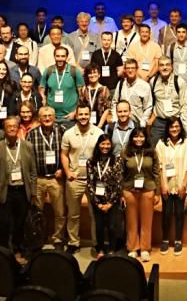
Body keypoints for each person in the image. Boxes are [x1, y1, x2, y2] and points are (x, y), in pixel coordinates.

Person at [0, 116, 37, 258]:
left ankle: (18, 248)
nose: (11, 128)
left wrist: (33, 193)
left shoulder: (28, 146)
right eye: (8, 126)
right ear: (4, 129)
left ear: (18, 129)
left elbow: (33, 172)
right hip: (6, 191)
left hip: (23, 191)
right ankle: (3, 251)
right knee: (4, 223)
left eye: (14, 126)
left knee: (20, 223)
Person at [61, 102, 103, 253]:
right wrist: (67, 172)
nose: (83, 117)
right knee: (73, 214)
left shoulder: (98, 133)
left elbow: (103, 155)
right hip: (75, 180)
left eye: (86, 114)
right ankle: (73, 242)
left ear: (90, 115)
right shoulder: (68, 133)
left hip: (93, 181)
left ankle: (96, 243)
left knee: (95, 214)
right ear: (76, 115)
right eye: (81, 114)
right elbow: (64, 155)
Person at [27, 106, 66, 250]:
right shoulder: (31, 134)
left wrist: (63, 169)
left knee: (60, 212)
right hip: (39, 178)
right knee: (37, 212)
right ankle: (38, 237)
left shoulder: (62, 131)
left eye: (50, 115)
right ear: (39, 118)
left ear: (54, 117)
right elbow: (28, 159)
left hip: (56, 179)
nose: (47, 118)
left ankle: (58, 239)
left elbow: (66, 154)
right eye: (44, 116)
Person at [155, 117, 187, 256]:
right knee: (166, 214)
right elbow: (158, 166)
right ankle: (165, 240)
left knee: (179, 214)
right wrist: (163, 184)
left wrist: (184, 185)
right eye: (171, 127)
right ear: (167, 129)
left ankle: (178, 240)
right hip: (166, 185)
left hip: (181, 186)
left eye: (177, 126)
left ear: (181, 128)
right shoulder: (161, 144)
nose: (174, 129)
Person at [121, 125, 159, 261]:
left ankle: (144, 248)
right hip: (129, 190)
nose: (139, 139)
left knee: (146, 222)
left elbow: (156, 173)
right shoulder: (126, 152)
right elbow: (121, 173)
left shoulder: (152, 152)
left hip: (148, 190)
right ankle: (132, 248)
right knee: (131, 221)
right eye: (136, 136)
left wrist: (158, 193)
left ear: (145, 138)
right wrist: (121, 193)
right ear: (132, 138)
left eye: (141, 136)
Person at [86, 133, 124, 259]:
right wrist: (97, 203)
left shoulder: (116, 160)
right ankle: (101, 249)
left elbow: (119, 182)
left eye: (108, 144)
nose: (105, 146)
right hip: (97, 200)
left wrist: (110, 203)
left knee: (112, 226)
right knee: (99, 226)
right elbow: (90, 183)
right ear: (98, 145)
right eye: (103, 144)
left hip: (112, 199)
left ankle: (112, 249)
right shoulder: (91, 161)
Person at [39, 46, 85, 128]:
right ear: (54, 57)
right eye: (58, 56)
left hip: (69, 117)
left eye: (63, 56)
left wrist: (75, 112)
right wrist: (46, 109)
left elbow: (82, 95)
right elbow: (42, 90)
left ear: (67, 57)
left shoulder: (74, 72)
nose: (60, 59)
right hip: (51, 118)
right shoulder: (48, 71)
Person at [149, 56, 187, 147]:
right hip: (159, 122)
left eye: (167, 65)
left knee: (176, 148)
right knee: (153, 148)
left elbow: (184, 105)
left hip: (175, 122)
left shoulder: (179, 82)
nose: (164, 67)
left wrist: (183, 125)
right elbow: (151, 103)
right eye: (161, 65)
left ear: (172, 67)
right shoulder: (153, 81)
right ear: (158, 67)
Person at [112, 59, 153, 127]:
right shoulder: (121, 84)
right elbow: (115, 102)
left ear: (137, 69)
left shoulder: (145, 86)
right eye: (128, 68)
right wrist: (115, 118)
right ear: (124, 70)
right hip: (121, 123)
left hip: (137, 124)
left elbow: (148, 107)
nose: (130, 70)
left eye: (133, 68)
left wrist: (143, 121)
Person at [81, 64, 112, 128]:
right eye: (90, 73)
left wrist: (99, 126)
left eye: (95, 73)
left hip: (100, 124)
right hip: (86, 124)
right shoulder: (84, 89)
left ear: (99, 75)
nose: (92, 75)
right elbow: (81, 107)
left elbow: (107, 109)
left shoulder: (104, 89)